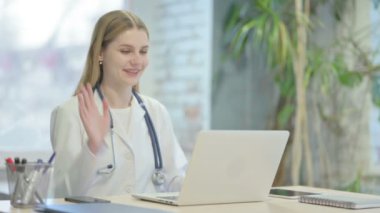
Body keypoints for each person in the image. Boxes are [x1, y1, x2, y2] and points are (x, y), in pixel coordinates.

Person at [50, 10, 187, 198]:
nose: (137, 60)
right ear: (100, 54)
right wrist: (93, 145)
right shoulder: (70, 112)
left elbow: (174, 179)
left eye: (143, 51)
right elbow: (63, 193)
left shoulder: (156, 111)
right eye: (125, 51)